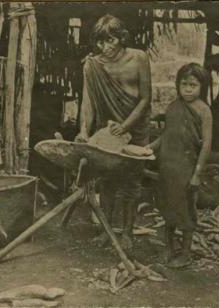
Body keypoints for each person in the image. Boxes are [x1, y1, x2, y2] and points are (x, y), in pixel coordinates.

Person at [75, 14, 152, 250]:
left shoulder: (139, 58)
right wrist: (84, 132)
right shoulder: (93, 65)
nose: (104, 47)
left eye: (110, 40)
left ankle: (127, 233)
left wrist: (126, 126)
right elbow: (87, 102)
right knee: (107, 182)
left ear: (121, 37)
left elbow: (146, 98)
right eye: (100, 42)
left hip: (135, 129)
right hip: (107, 132)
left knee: (131, 183)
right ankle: (106, 231)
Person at [147, 63, 212, 268]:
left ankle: (185, 253)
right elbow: (166, 135)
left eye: (193, 84)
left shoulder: (204, 111)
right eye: (184, 84)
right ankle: (168, 248)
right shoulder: (173, 106)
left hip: (187, 167)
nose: (188, 89)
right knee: (167, 208)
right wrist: (149, 148)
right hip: (167, 165)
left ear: (202, 87)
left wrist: (197, 174)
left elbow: (207, 144)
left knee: (185, 210)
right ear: (178, 85)